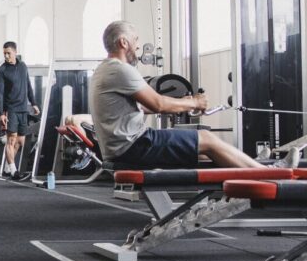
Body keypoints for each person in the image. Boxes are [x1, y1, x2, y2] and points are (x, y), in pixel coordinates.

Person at [91, 20, 261, 169]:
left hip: (122, 149)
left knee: (205, 152)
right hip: (135, 146)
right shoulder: (120, 70)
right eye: (135, 40)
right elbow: (158, 104)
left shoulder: (103, 69)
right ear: (124, 42)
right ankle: (269, 174)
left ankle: (246, 173)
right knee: (207, 138)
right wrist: (195, 102)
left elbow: (142, 106)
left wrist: (182, 103)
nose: (137, 46)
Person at [0, 41, 40, 181]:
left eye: (9, 53)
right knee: (11, 140)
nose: (6, 56)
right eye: (4, 53)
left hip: (23, 109)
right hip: (11, 110)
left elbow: (28, 86)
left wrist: (34, 103)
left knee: (20, 141)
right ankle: (14, 171)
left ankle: (7, 168)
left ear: (15, 52)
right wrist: (1, 113)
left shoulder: (23, 66)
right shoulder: (2, 71)